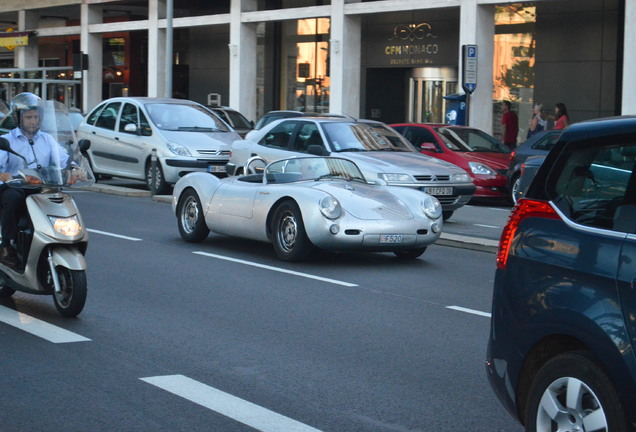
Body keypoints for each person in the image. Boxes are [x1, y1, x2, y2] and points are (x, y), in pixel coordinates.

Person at [0, 92, 73, 269]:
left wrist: (75, 169)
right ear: (19, 118)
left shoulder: (47, 139)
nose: (34, 121)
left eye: (36, 117)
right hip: (15, 187)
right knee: (12, 198)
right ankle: (6, 247)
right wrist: (5, 175)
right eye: (29, 117)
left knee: (61, 200)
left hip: (41, 188)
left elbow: (63, 158)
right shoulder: (7, 140)